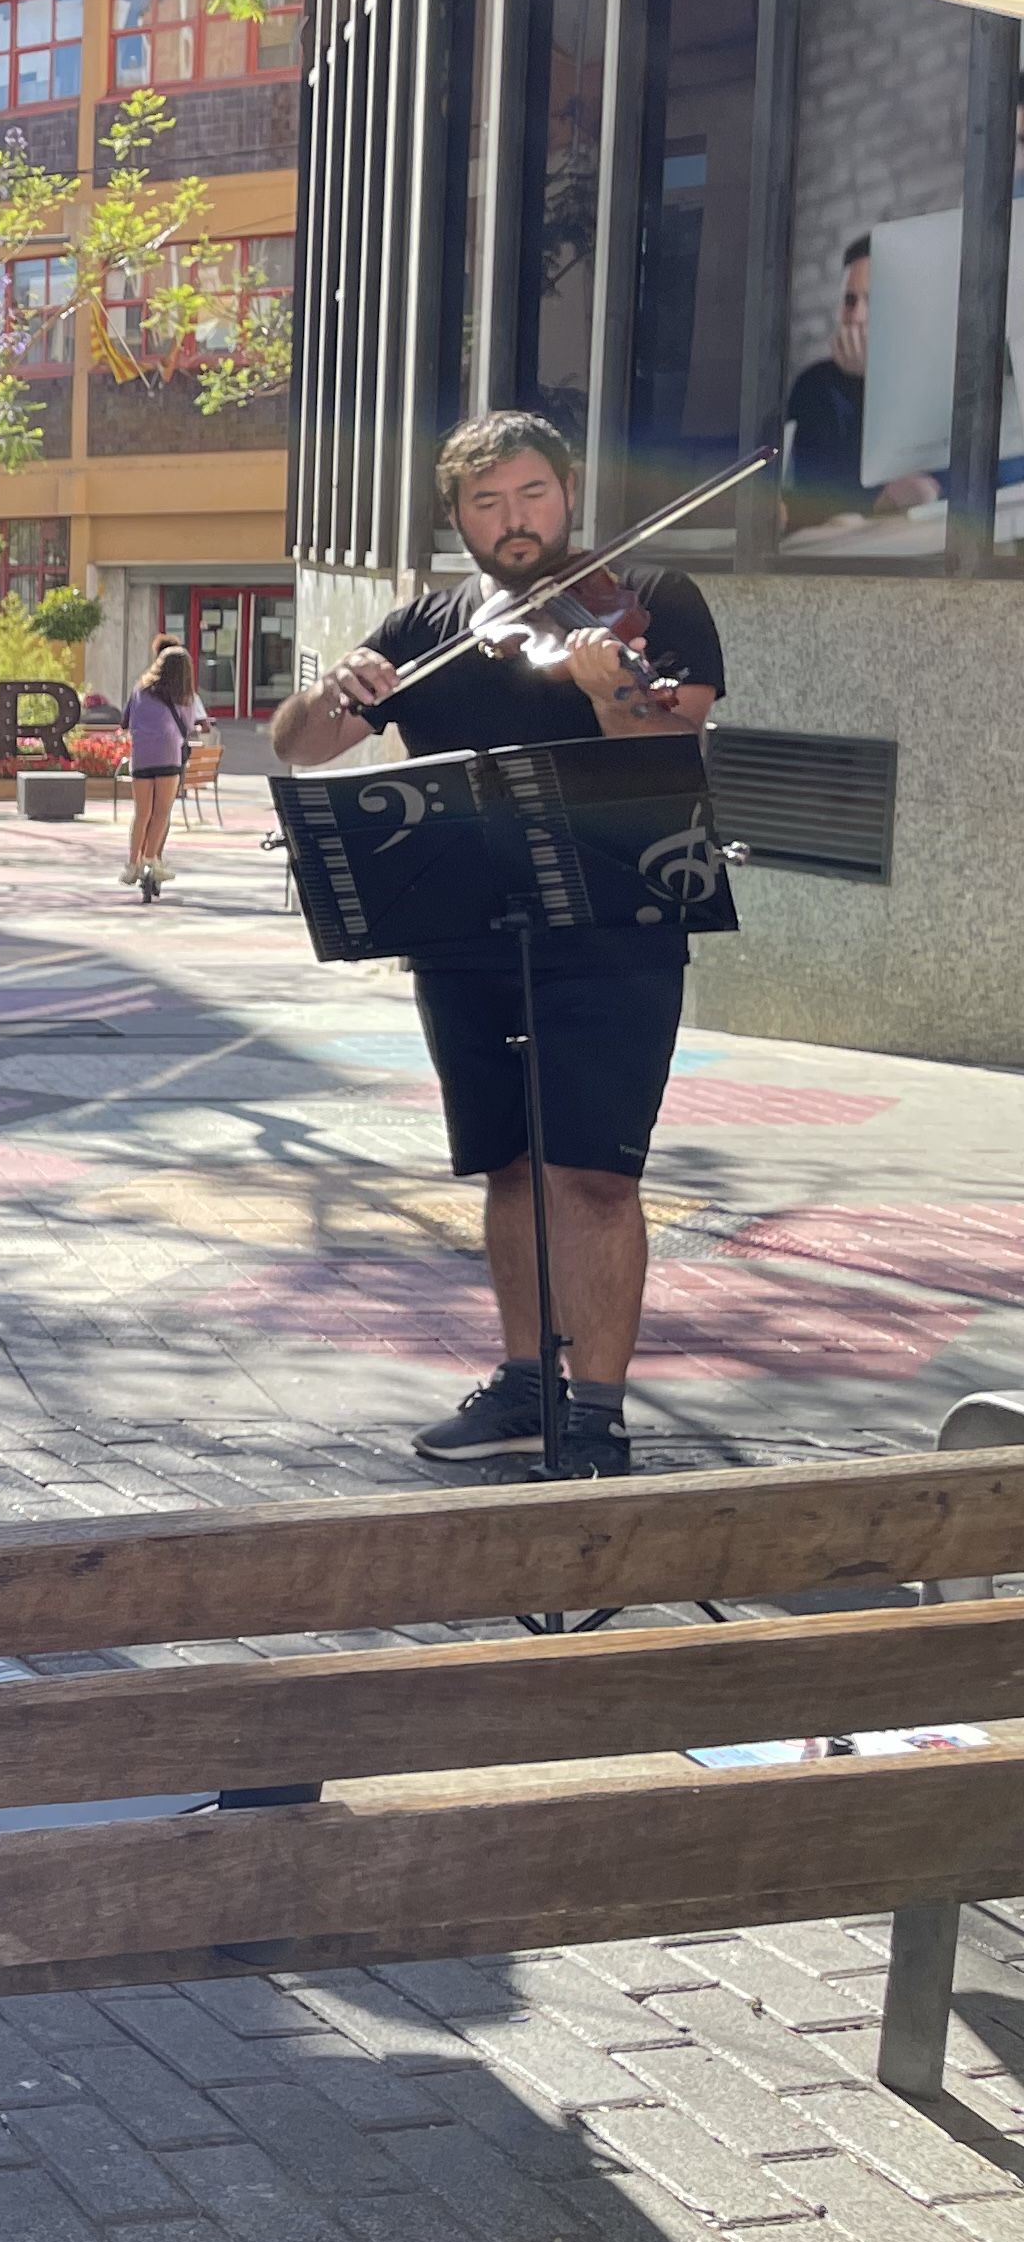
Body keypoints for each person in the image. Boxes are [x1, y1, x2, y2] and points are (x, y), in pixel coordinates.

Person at [270, 410, 725, 1475]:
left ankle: (597, 1415)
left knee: (596, 1176)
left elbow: (671, 749)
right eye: (487, 502)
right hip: (465, 931)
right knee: (509, 1168)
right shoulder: (427, 623)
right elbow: (299, 746)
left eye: (531, 496)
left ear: (569, 494)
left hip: (617, 931)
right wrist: (334, 692)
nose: (513, 522)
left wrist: (609, 686)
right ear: (458, 516)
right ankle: (527, 1384)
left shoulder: (653, 603)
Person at [780, 236, 940, 532]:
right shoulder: (815, 386)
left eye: (873, 300)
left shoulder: (933, 382)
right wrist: (862, 385)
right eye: (850, 301)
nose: (856, 316)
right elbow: (821, 496)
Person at [119, 642, 210, 901]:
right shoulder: (185, 696)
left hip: (142, 757)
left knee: (141, 813)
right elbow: (190, 725)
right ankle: (151, 860)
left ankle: (132, 865)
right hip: (169, 756)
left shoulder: (140, 691)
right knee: (161, 812)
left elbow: (125, 721)